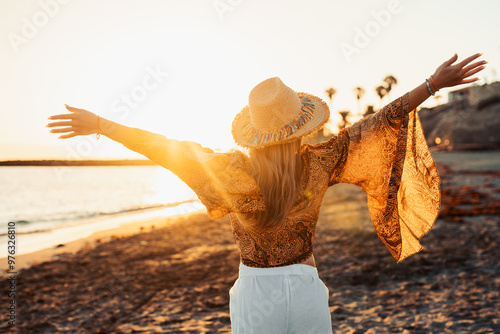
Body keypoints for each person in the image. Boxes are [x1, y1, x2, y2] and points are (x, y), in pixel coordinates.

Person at [47, 53, 486, 333]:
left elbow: (163, 148)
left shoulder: (228, 172)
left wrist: (102, 125)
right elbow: (377, 122)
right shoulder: (318, 161)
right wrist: (432, 84)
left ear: (253, 134)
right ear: (300, 126)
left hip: (256, 291)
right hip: (306, 284)